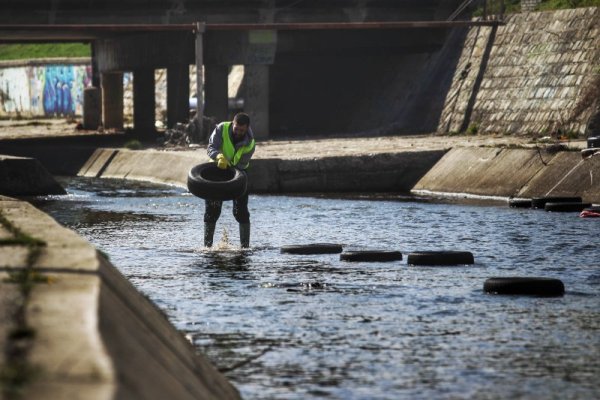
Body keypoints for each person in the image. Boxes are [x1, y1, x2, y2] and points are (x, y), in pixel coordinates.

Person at [204, 112, 256, 248]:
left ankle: (245, 247)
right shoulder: (221, 128)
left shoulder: (250, 144)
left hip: (239, 174)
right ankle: (207, 247)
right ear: (233, 123)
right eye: (236, 128)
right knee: (212, 211)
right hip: (215, 171)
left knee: (241, 212)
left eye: (242, 130)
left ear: (247, 128)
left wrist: (229, 167)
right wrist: (219, 156)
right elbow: (211, 147)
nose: (238, 132)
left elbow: (241, 165)